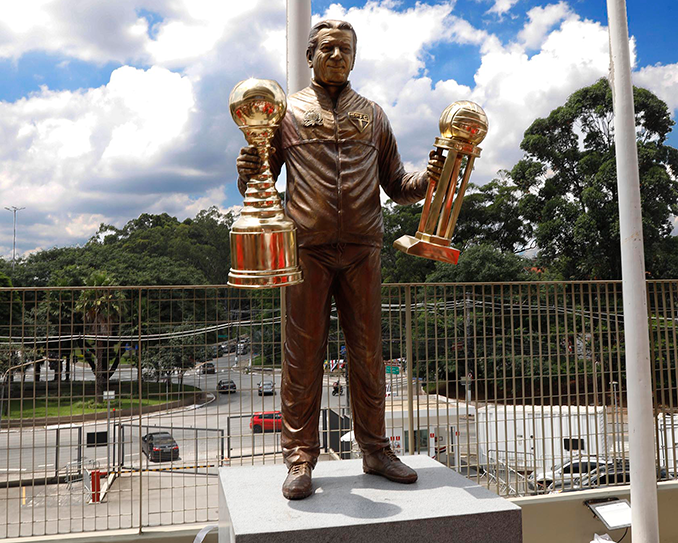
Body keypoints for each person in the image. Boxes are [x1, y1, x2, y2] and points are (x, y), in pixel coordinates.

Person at [236, 19, 444, 500]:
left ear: (354, 57)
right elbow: (259, 186)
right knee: (302, 355)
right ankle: (300, 456)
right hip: (305, 249)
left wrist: (432, 176)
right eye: (327, 48)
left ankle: (375, 448)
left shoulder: (373, 114)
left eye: (345, 49)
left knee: (369, 353)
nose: (336, 56)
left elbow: (398, 186)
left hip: (362, 249)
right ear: (310, 55)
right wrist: (246, 170)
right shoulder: (284, 113)